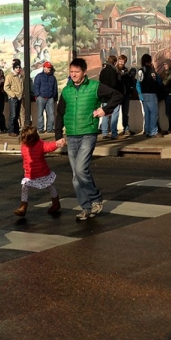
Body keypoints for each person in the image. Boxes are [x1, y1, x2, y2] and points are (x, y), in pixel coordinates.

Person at [54, 57, 122, 221]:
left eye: (76, 72)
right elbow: (60, 113)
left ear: (84, 72)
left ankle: (96, 197)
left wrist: (104, 110)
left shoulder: (94, 87)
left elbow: (117, 95)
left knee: (81, 169)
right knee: (76, 176)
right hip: (71, 135)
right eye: (71, 72)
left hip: (88, 133)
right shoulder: (67, 91)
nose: (73, 75)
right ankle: (86, 207)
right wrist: (58, 136)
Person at [13, 125, 64, 218]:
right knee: (25, 187)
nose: (24, 140)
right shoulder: (24, 146)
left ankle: (56, 203)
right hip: (30, 173)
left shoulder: (39, 144)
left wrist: (57, 143)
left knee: (50, 186)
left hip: (42, 172)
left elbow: (49, 146)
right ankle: (23, 207)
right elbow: (25, 160)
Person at [136, 53, 161, 138]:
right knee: (154, 113)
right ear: (149, 61)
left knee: (147, 113)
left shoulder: (140, 70)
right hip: (151, 93)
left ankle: (147, 130)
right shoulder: (151, 70)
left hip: (144, 93)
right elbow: (155, 82)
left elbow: (139, 82)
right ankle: (153, 131)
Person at [32, 62, 58, 134]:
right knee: (40, 114)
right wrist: (38, 95)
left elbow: (55, 88)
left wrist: (53, 96)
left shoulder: (53, 77)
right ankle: (40, 129)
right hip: (41, 98)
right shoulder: (39, 76)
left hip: (50, 98)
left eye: (50, 67)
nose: (49, 69)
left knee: (51, 114)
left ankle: (50, 129)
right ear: (44, 67)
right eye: (47, 67)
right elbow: (35, 86)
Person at [98, 55, 120, 139]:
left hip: (104, 96)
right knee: (115, 113)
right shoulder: (113, 71)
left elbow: (100, 82)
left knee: (105, 113)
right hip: (112, 95)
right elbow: (114, 84)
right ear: (114, 62)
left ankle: (104, 132)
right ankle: (114, 133)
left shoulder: (103, 71)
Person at [116, 54, 136, 136]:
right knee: (115, 113)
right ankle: (113, 130)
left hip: (125, 94)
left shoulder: (127, 71)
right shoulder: (115, 70)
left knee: (125, 113)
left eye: (123, 61)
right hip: (117, 94)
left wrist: (130, 90)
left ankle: (126, 128)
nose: (121, 63)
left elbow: (130, 82)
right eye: (120, 61)